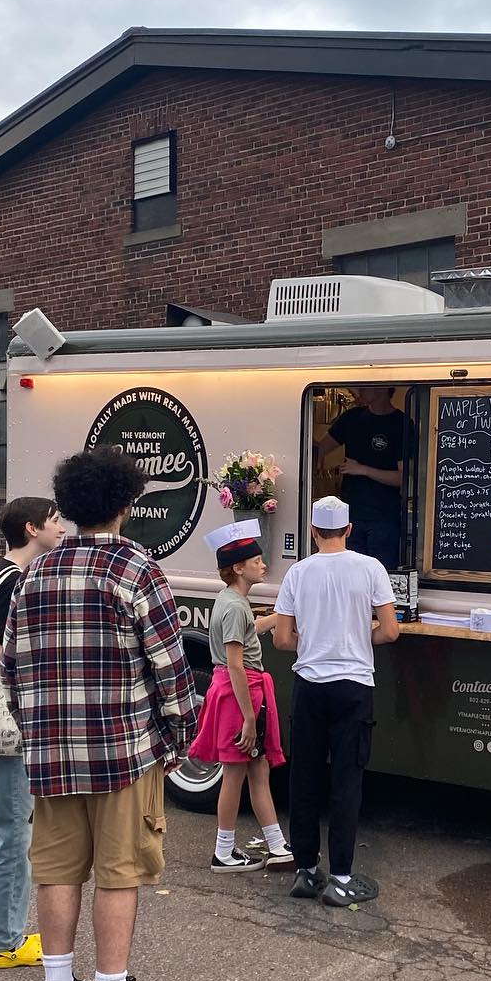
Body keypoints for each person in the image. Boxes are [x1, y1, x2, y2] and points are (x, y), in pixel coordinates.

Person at [3, 449, 200, 981]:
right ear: (126, 503)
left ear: (67, 504)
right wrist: (180, 736)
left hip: (51, 753)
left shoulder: (35, 573)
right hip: (123, 749)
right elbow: (170, 667)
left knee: (57, 868)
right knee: (120, 869)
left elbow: (12, 668)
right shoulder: (137, 569)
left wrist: (35, 731)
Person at [272, 496, 400, 907]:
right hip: (354, 685)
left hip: (309, 684)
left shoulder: (297, 572)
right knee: (346, 781)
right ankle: (341, 878)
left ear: (312, 531)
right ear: (349, 529)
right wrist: (360, 638)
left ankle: (306, 871)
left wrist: (313, 643)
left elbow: (282, 639)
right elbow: (391, 631)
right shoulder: (371, 568)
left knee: (304, 779)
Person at [0, 495, 65, 967]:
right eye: (54, 520)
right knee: (15, 832)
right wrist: (37, 659)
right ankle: (6, 941)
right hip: (13, 718)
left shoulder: (9, 575)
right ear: (31, 529)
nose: (61, 527)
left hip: (0, 720)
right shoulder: (14, 578)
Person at [186, 519, 291, 873]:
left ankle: (277, 846)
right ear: (238, 568)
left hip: (240, 691)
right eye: (257, 561)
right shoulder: (234, 606)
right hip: (239, 694)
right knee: (234, 773)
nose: (264, 565)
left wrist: (279, 616)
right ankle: (224, 852)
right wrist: (248, 717)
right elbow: (234, 664)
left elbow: (249, 629)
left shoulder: (232, 601)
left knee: (258, 768)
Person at [326, 384, 410, 568]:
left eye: (363, 388)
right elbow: (318, 450)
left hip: (385, 518)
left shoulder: (401, 424)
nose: (358, 392)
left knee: (381, 572)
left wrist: (362, 469)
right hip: (350, 516)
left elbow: (403, 478)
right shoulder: (351, 418)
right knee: (350, 572)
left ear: (381, 388)